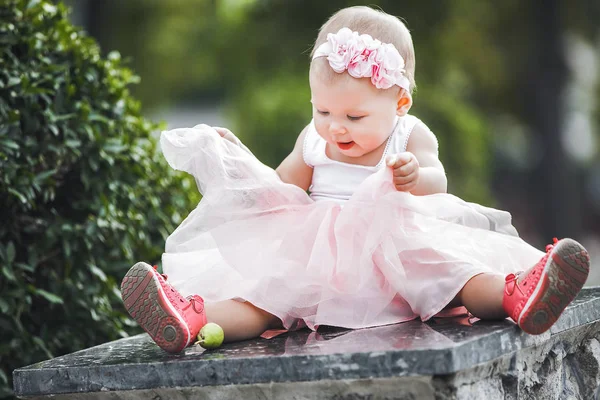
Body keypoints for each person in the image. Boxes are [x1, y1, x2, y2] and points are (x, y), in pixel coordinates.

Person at [120, 6, 591, 354]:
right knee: (268, 294)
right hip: (318, 252)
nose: (335, 126)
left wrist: (413, 175)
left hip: (397, 241)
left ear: (400, 104)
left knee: (453, 274)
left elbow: (439, 179)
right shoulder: (313, 140)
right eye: (322, 110)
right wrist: (236, 160)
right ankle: (193, 315)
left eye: (354, 114)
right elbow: (280, 186)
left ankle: (516, 295)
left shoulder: (408, 133)